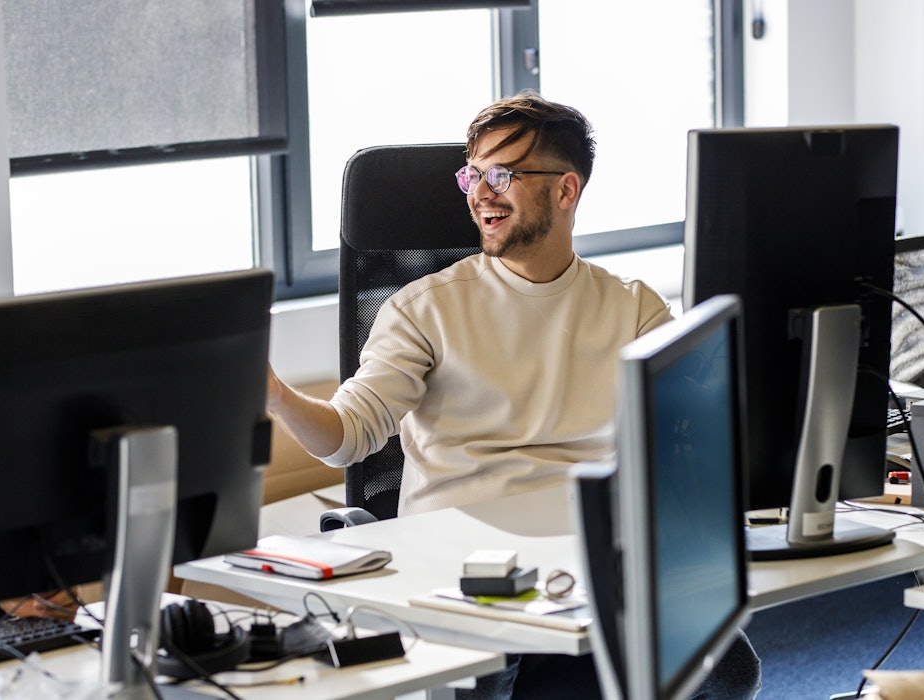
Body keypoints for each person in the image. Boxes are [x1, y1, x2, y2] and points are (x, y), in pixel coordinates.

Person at [267, 90, 760, 699]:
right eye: (471, 174)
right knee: (491, 675)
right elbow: (349, 436)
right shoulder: (425, 309)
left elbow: (685, 444)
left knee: (729, 667)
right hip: (467, 566)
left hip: (590, 562)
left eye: (501, 174)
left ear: (565, 190)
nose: (479, 193)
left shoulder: (634, 308)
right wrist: (275, 397)